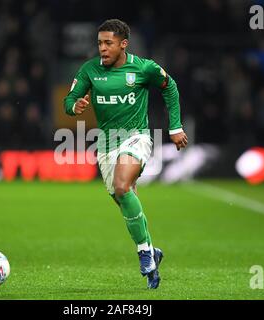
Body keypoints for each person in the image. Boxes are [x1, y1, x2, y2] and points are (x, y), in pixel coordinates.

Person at [63, 19, 187, 289]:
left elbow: (170, 87)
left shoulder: (143, 68)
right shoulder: (89, 71)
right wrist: (77, 106)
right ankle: (151, 252)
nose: (103, 49)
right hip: (106, 144)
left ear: (123, 44)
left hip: (137, 137)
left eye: (108, 43)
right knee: (125, 198)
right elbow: (69, 101)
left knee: (122, 186)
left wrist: (175, 126)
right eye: (99, 43)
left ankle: (143, 254)